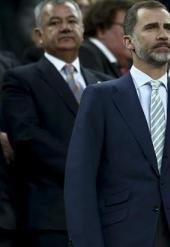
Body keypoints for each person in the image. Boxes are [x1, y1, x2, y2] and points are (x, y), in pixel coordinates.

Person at [64, 1, 170, 247]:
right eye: (151, 27)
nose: (162, 34)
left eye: (167, 28)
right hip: (120, 237)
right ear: (128, 41)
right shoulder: (100, 98)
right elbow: (80, 182)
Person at [1, 0, 110, 246]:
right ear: (39, 36)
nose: (65, 28)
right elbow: (26, 137)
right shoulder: (21, 79)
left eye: (72, 21)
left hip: (105, 214)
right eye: (54, 22)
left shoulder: (105, 84)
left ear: (83, 30)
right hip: (54, 216)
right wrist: (84, 167)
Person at [79, 0, 133, 78]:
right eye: (127, 27)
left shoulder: (113, 62)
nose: (134, 35)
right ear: (101, 30)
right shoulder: (86, 53)